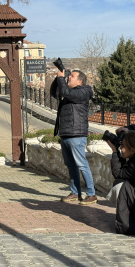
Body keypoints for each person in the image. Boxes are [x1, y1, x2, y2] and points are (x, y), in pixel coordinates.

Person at [50, 69, 97, 205]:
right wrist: (58, 77)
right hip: (65, 133)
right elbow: (55, 93)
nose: (69, 78)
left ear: (80, 81)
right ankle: (75, 192)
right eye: (69, 76)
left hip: (76, 134)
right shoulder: (69, 92)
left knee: (82, 164)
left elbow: (65, 92)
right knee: (71, 166)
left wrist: (61, 79)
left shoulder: (83, 92)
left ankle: (91, 194)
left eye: (72, 76)